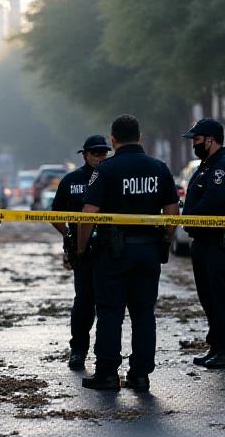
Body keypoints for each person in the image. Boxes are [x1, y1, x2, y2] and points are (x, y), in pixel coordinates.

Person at [77, 115, 180, 392]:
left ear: (112, 140)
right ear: (140, 137)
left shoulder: (105, 169)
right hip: (148, 251)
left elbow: (88, 215)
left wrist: (81, 248)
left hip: (113, 252)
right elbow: (172, 214)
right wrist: (165, 241)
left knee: (110, 312)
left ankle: (108, 373)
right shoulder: (159, 169)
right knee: (144, 313)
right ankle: (141, 374)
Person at [181, 118, 225, 369]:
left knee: (221, 297)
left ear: (211, 139)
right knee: (207, 297)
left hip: (220, 241)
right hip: (203, 240)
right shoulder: (206, 165)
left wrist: (189, 217)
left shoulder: (224, 167)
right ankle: (216, 345)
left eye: (197, 140)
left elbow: (212, 201)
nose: (194, 144)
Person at [50, 135, 111, 369]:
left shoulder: (111, 177)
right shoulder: (71, 181)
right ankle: (78, 351)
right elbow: (54, 215)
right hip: (82, 252)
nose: (100, 157)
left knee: (107, 305)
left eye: (104, 153)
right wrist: (69, 236)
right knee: (84, 303)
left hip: (109, 250)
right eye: (95, 153)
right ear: (84, 155)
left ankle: (104, 354)